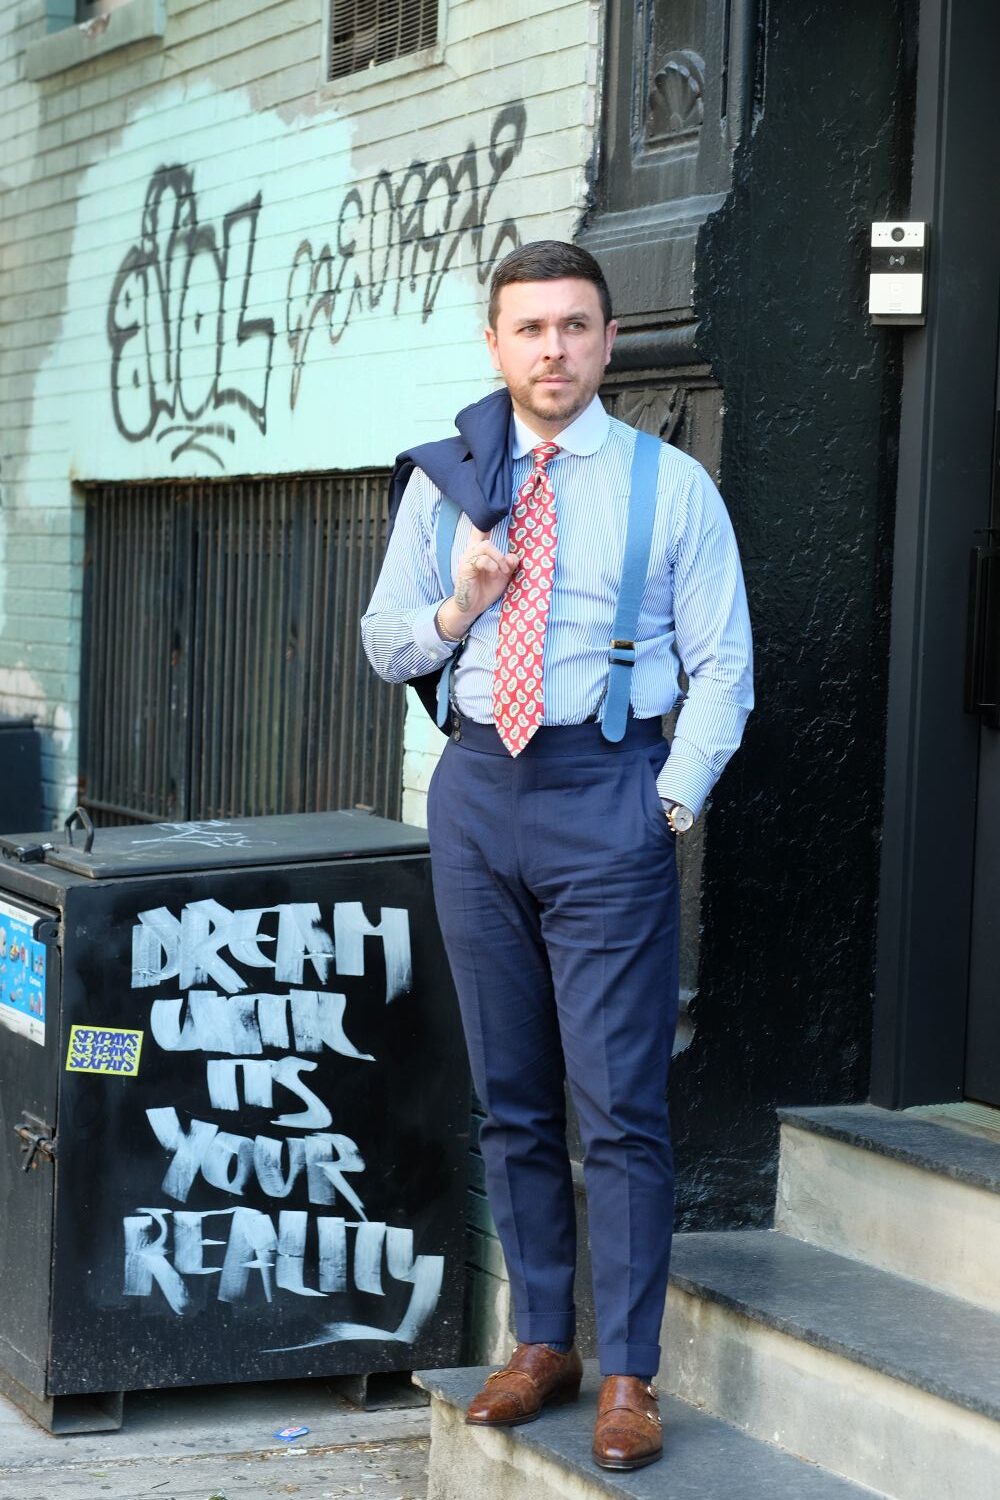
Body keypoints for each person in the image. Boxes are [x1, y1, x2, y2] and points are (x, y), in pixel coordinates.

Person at [361, 240, 752, 1472]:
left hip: (607, 792)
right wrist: (462, 605)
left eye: (575, 327)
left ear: (607, 339)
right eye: (528, 329)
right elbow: (385, 648)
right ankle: (543, 1342)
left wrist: (669, 803)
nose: (552, 350)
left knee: (619, 1107)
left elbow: (723, 665)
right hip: (477, 790)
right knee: (512, 1097)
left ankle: (627, 1371)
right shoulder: (449, 482)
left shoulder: (668, 485)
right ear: (495, 343)